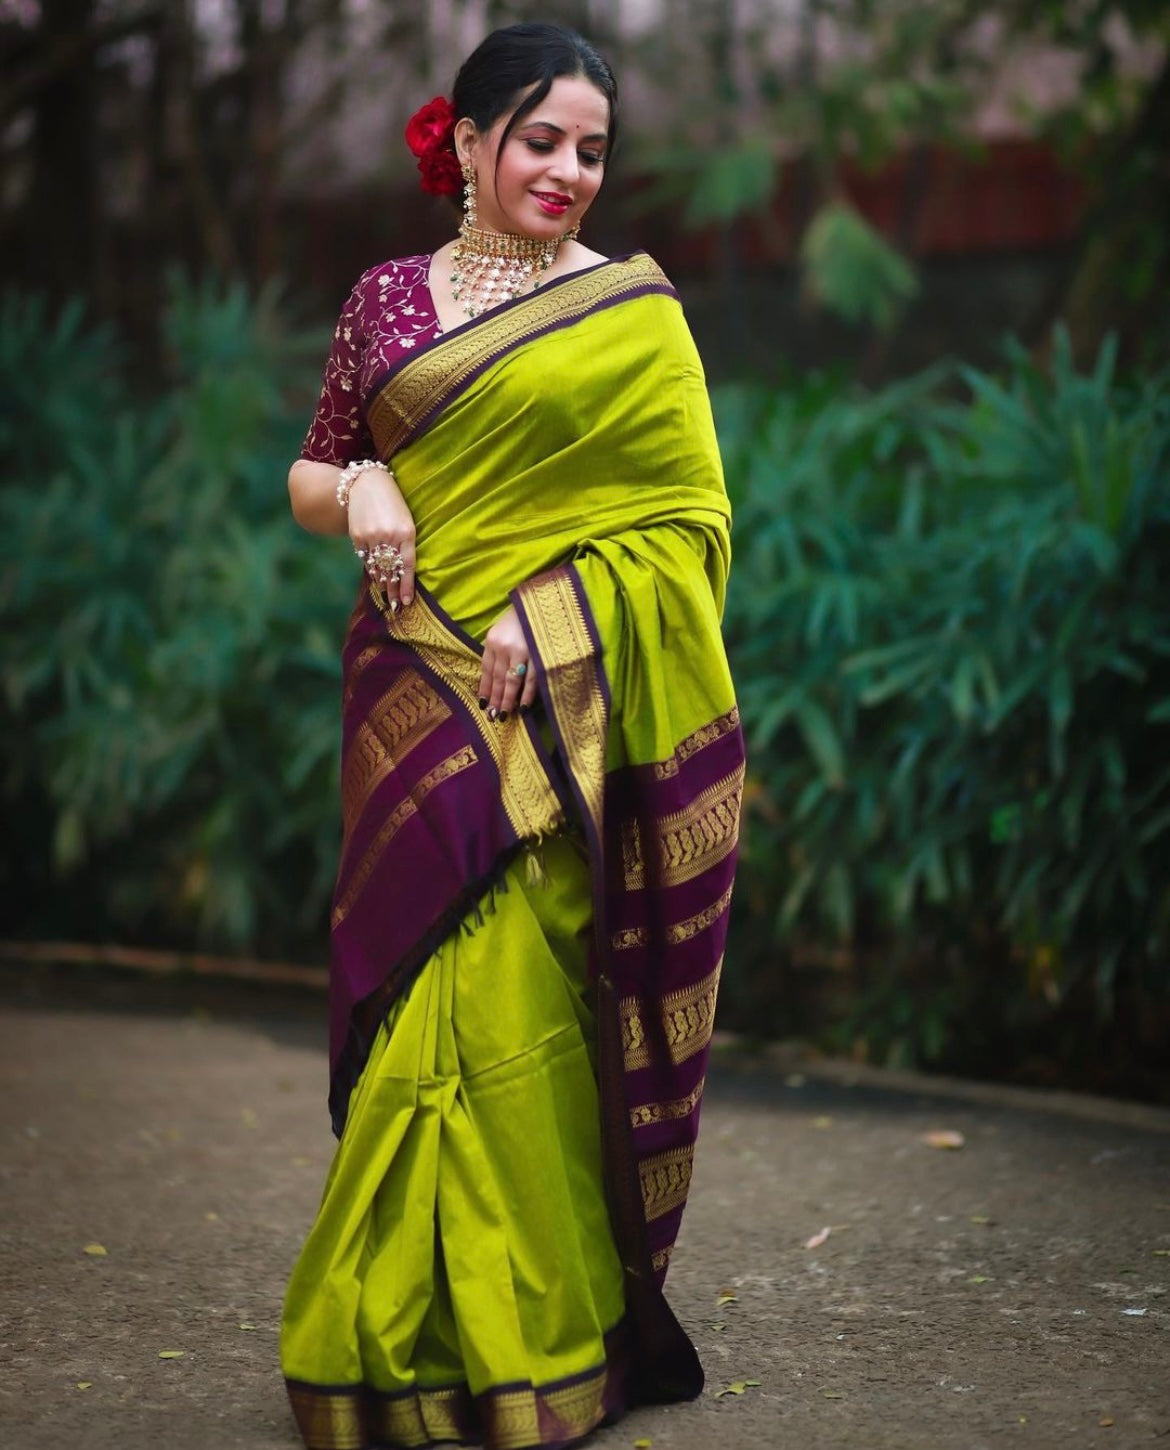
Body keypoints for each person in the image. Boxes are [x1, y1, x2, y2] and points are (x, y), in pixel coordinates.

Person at [279, 22, 745, 1450]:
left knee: (514, 999)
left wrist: (555, 613)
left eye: (591, 149)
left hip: (558, 696)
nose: (567, 171)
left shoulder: (631, 314)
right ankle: (388, 1338)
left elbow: (687, 525)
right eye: (539, 139)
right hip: (411, 685)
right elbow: (313, 462)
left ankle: (528, 1338)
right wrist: (355, 492)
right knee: (423, 993)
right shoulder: (386, 302)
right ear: (467, 142)